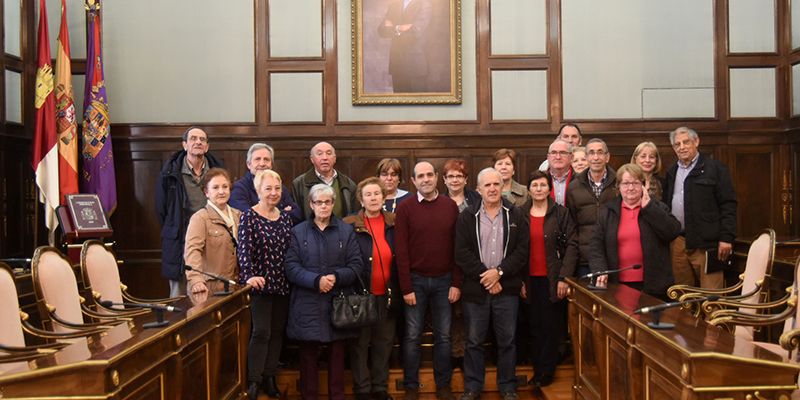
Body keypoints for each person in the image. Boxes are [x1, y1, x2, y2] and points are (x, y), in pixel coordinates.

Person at [284, 184, 364, 400]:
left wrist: (336, 278)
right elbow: (291, 267)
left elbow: (356, 266)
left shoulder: (346, 231)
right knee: (307, 360)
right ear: (311, 204)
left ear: (333, 204)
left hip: (337, 304)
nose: (323, 206)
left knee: (337, 358)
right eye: (318, 202)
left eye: (327, 202)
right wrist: (316, 280)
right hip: (307, 303)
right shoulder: (298, 232)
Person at [454, 168, 529, 400]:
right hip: (476, 290)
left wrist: (499, 273)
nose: (493, 188)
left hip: (507, 288)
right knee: (474, 341)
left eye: (496, 184)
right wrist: (487, 276)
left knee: (507, 341)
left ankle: (507, 386)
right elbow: (461, 253)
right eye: (487, 185)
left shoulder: (515, 214)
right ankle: (473, 386)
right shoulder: (467, 216)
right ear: (478, 189)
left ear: (502, 186)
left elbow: (522, 251)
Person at [396, 161, 461, 400]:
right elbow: (401, 251)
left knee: (444, 336)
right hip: (415, 281)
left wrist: (456, 282)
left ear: (436, 178)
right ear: (413, 181)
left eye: (429, 175)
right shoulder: (405, 208)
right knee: (412, 337)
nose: (425, 179)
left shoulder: (449, 206)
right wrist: (406, 287)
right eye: (420, 176)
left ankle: (443, 385)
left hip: (445, 281)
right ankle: (411, 387)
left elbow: (457, 247)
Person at [238, 169, 293, 400]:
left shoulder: (285, 217)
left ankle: (270, 378)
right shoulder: (249, 216)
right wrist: (249, 276)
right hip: (260, 285)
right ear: (258, 191)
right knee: (261, 332)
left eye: (277, 188)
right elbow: (243, 250)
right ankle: (254, 381)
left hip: (283, 283)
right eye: (268, 188)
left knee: (278, 332)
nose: (273, 193)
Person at [343, 177, 399, 400]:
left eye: (377, 194)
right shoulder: (349, 224)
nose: (373, 198)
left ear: (384, 197)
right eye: (369, 194)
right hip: (360, 294)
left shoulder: (394, 222)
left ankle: (380, 387)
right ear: (361, 199)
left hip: (387, 294)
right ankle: (363, 389)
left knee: (383, 344)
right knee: (360, 345)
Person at [520, 170, 578, 388]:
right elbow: (515, 249)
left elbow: (572, 245)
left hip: (553, 279)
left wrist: (564, 277)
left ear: (549, 189)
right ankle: (538, 371)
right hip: (529, 280)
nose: (538, 189)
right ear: (528, 189)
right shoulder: (520, 213)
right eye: (534, 185)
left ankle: (547, 373)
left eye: (543, 185)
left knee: (551, 328)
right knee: (534, 328)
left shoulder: (561, 213)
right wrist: (520, 282)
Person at [589, 164, 681, 299]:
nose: (630, 188)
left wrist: (649, 208)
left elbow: (672, 232)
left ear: (644, 186)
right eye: (625, 183)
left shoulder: (657, 207)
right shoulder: (607, 212)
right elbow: (595, 245)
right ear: (618, 187)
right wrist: (600, 269)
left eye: (635, 183)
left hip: (653, 286)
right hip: (616, 284)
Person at [664, 127, 737, 289]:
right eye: (677, 144)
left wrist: (726, 237)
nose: (681, 147)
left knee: (712, 296)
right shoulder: (671, 172)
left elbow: (728, 204)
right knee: (683, 296)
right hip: (679, 243)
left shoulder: (715, 169)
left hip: (707, 245)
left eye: (686, 142)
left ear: (696, 142)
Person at [156, 127, 223, 296]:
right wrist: (175, 226)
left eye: (202, 139)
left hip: (212, 242)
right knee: (179, 299)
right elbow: (161, 209)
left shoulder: (218, 171)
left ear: (207, 147)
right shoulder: (170, 172)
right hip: (180, 241)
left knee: (210, 298)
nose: (198, 142)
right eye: (193, 139)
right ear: (185, 145)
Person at [566, 138, 618, 278]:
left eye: (600, 153)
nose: (596, 157)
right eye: (592, 153)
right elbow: (572, 226)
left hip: (615, 257)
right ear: (587, 157)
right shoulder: (573, 188)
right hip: (585, 259)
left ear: (607, 157)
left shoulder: (619, 183)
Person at [184, 167, 240, 294]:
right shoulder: (200, 218)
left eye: (225, 187)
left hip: (235, 285)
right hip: (209, 288)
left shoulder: (239, 216)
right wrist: (196, 280)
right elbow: (192, 251)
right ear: (206, 192)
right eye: (215, 187)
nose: (221, 191)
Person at [230, 143, 301, 224]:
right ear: (249, 164)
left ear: (271, 165)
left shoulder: (280, 187)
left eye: (266, 159)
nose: (262, 164)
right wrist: (283, 213)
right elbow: (247, 216)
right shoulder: (239, 188)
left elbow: (297, 214)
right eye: (257, 159)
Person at [377, 0, 433, 93]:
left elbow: (414, 33)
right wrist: (399, 28)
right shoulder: (394, 5)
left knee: (419, 104)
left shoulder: (424, 5)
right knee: (400, 104)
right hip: (397, 65)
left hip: (415, 66)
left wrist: (392, 27)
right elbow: (381, 30)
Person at [292, 142, 358, 220]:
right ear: (312, 159)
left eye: (329, 153)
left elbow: (354, 214)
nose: (325, 158)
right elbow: (297, 215)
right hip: (310, 231)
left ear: (334, 158)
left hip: (342, 230)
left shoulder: (348, 184)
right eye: (320, 154)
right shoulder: (299, 183)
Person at [545, 139, 574, 206]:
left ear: (571, 157)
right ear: (548, 157)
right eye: (554, 153)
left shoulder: (582, 180)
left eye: (563, 153)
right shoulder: (540, 180)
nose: (558, 157)